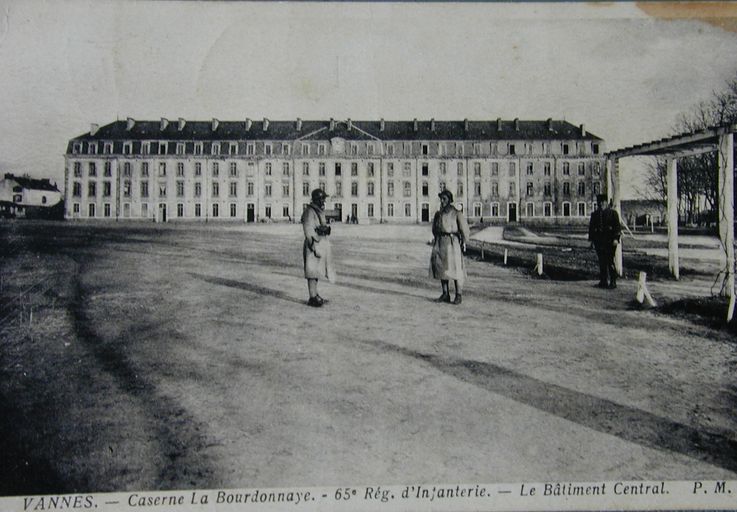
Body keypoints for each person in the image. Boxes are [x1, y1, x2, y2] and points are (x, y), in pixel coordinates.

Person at [430, 190, 470, 304]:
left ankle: (458, 295)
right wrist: (437, 238)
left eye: (444, 199)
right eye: (441, 199)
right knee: (442, 268)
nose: (442, 201)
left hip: (453, 243)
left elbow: (465, 229)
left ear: (450, 200)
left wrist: (464, 242)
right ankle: (445, 294)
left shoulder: (456, 213)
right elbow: (434, 229)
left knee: (456, 268)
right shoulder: (438, 214)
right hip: (441, 242)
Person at [302, 189, 336, 307]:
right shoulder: (309, 211)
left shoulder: (317, 211)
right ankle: (312, 297)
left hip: (319, 243)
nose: (323, 201)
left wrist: (325, 229)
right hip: (313, 245)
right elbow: (308, 229)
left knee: (315, 271)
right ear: (316, 199)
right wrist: (314, 246)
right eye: (322, 199)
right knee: (311, 271)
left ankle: (315, 294)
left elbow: (319, 226)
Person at [588, 193, 622, 289]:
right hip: (599, 242)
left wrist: (616, 238)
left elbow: (617, 228)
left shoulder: (613, 213)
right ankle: (603, 281)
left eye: (604, 202)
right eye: (600, 202)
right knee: (601, 262)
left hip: (610, 241)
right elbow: (591, 228)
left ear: (607, 203)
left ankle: (613, 281)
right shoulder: (594, 215)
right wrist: (591, 241)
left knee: (610, 261)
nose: (602, 204)